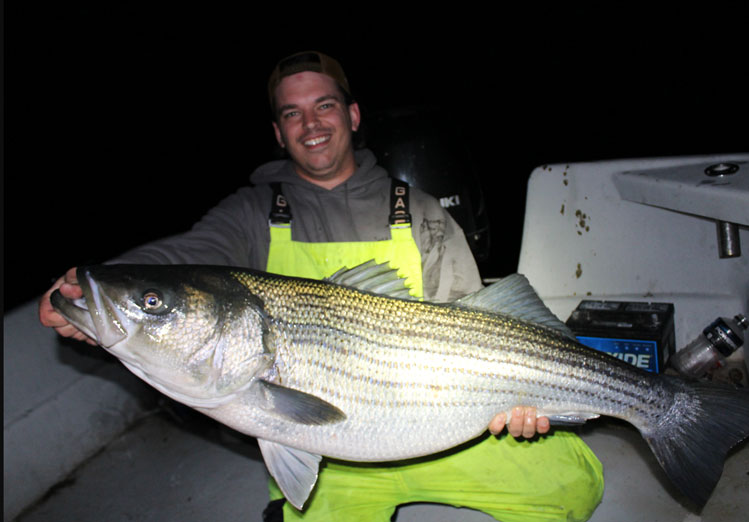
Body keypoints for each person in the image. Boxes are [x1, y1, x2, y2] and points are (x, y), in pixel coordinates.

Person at [39, 51, 603, 521]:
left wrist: (516, 399)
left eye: (324, 105)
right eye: (292, 113)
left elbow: (474, 321)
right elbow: (184, 256)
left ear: (353, 116)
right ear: (278, 131)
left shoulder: (425, 212)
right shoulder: (251, 213)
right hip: (325, 453)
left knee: (573, 484)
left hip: (448, 425)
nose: (311, 124)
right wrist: (89, 287)